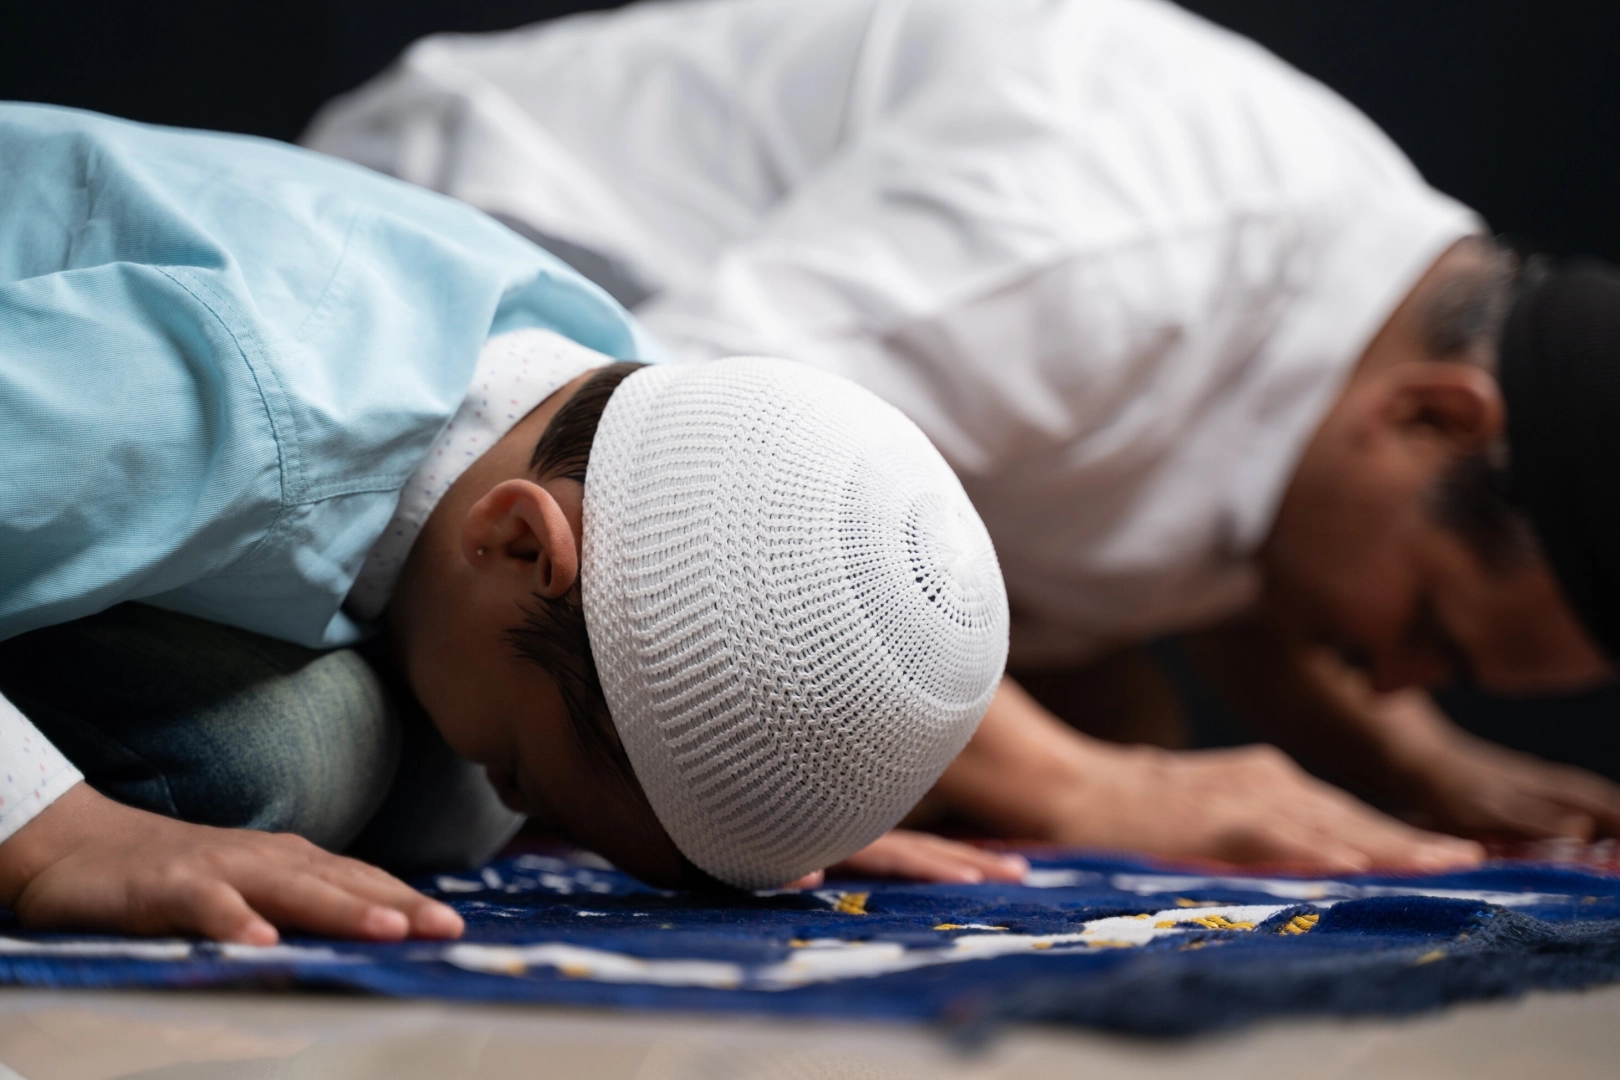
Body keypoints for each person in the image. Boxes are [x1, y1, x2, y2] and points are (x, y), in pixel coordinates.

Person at [304, 0, 1620, 865]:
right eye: (1430, 631)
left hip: (634, 465)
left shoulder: (1372, 315)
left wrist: (1402, 758)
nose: (1395, 678)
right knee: (332, 775)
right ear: (1437, 415)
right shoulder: (1104, 239)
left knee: (1131, 732)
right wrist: (1081, 788)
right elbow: (676, 475)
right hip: (415, 349)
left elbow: (1223, 498)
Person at [0, 102, 1024, 945]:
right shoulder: (225, 398)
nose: (528, 804)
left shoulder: (600, 394)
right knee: (291, 759)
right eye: (523, 771)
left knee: (435, 784)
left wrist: (746, 804)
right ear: (521, 540)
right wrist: (53, 838)